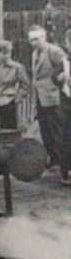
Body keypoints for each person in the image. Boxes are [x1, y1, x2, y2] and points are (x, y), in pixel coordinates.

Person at [28, 24, 68, 173]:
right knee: (45, 128)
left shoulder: (54, 51)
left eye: (37, 39)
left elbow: (65, 68)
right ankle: (51, 156)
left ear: (44, 37)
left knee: (56, 127)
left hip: (53, 96)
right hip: (40, 96)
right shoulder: (34, 53)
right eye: (31, 40)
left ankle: (59, 158)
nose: (34, 42)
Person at [55, 55, 71, 186]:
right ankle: (66, 172)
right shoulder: (64, 62)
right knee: (66, 139)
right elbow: (54, 76)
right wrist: (58, 77)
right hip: (67, 105)